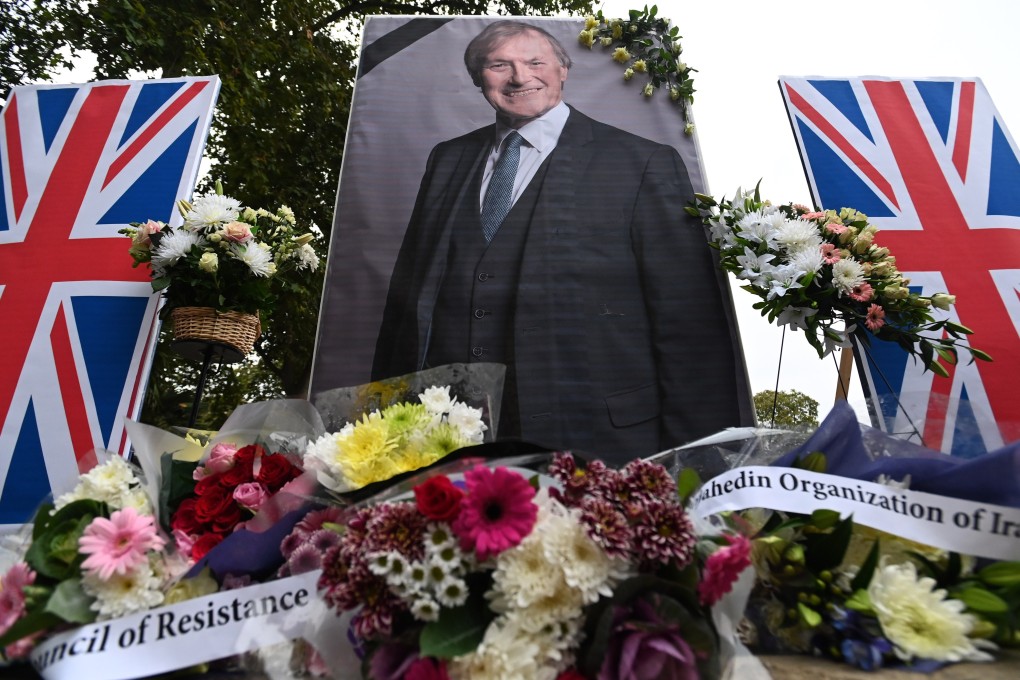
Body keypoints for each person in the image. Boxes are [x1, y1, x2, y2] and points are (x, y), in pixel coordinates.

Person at [373, 20, 750, 465]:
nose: (519, 77)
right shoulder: (447, 159)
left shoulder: (641, 162)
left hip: (597, 440)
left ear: (563, 70)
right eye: (499, 65)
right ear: (479, 79)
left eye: (535, 62)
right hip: (451, 444)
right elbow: (405, 306)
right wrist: (385, 433)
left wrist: (699, 465)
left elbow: (689, 324)